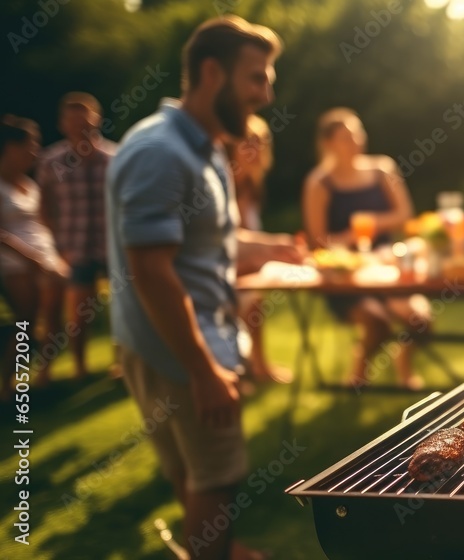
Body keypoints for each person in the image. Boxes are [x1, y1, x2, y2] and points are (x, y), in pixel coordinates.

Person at [105, 16, 302, 560]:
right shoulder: (160, 152)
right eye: (257, 79)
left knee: (194, 473)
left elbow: (209, 240)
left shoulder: (207, 146)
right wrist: (204, 370)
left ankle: (212, 543)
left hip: (178, 345)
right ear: (212, 73)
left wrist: (271, 246)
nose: (266, 95)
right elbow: (152, 271)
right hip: (178, 352)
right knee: (217, 478)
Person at [301, 108, 429, 391]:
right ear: (327, 143)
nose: (356, 141)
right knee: (377, 321)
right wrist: (349, 237)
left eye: (358, 133)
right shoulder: (319, 183)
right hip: (346, 278)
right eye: (346, 136)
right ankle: (358, 375)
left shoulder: (384, 169)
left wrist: (371, 224)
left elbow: (405, 215)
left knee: (421, 320)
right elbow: (318, 242)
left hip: (386, 268)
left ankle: (403, 364)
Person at [35, 92, 117, 380]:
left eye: (85, 122)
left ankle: (121, 363)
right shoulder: (51, 161)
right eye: (73, 122)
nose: (80, 128)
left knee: (122, 308)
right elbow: (43, 207)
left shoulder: (115, 158)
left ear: (97, 121)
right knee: (78, 314)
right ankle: (79, 366)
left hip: (113, 247)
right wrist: (56, 243)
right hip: (73, 248)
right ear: (63, 124)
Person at [0, 115, 70, 397]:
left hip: (45, 260)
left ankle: (43, 377)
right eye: (30, 146)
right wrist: (34, 261)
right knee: (26, 322)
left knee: (54, 316)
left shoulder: (30, 185)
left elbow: (44, 224)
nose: (35, 152)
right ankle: (6, 384)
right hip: (15, 262)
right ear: (10, 148)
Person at [228, 113, 291, 384]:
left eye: (260, 142)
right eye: (248, 142)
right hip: (223, 275)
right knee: (250, 303)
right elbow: (227, 238)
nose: (254, 149)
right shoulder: (225, 183)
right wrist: (274, 245)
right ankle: (243, 370)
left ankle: (259, 365)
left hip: (243, 272)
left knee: (256, 301)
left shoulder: (252, 186)